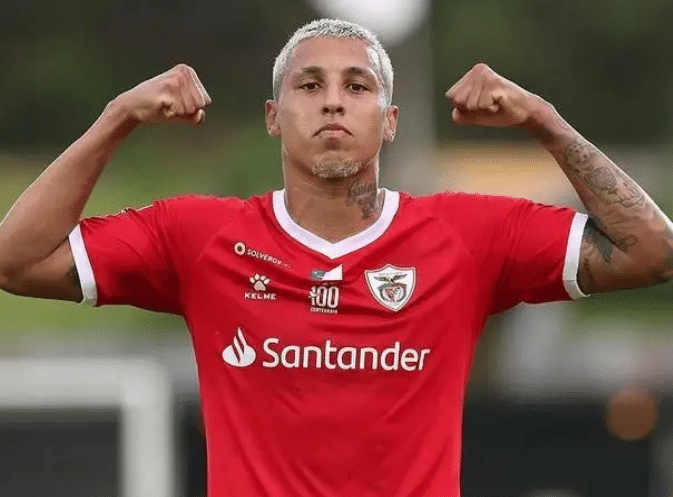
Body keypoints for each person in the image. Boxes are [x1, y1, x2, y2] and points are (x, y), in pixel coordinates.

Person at [0, 17, 671, 497]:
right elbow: (17, 261)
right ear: (272, 115)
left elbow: (651, 250)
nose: (331, 101)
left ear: (390, 120)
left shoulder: (468, 236)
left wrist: (542, 120)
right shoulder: (197, 236)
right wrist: (117, 117)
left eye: (356, 86)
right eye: (309, 84)